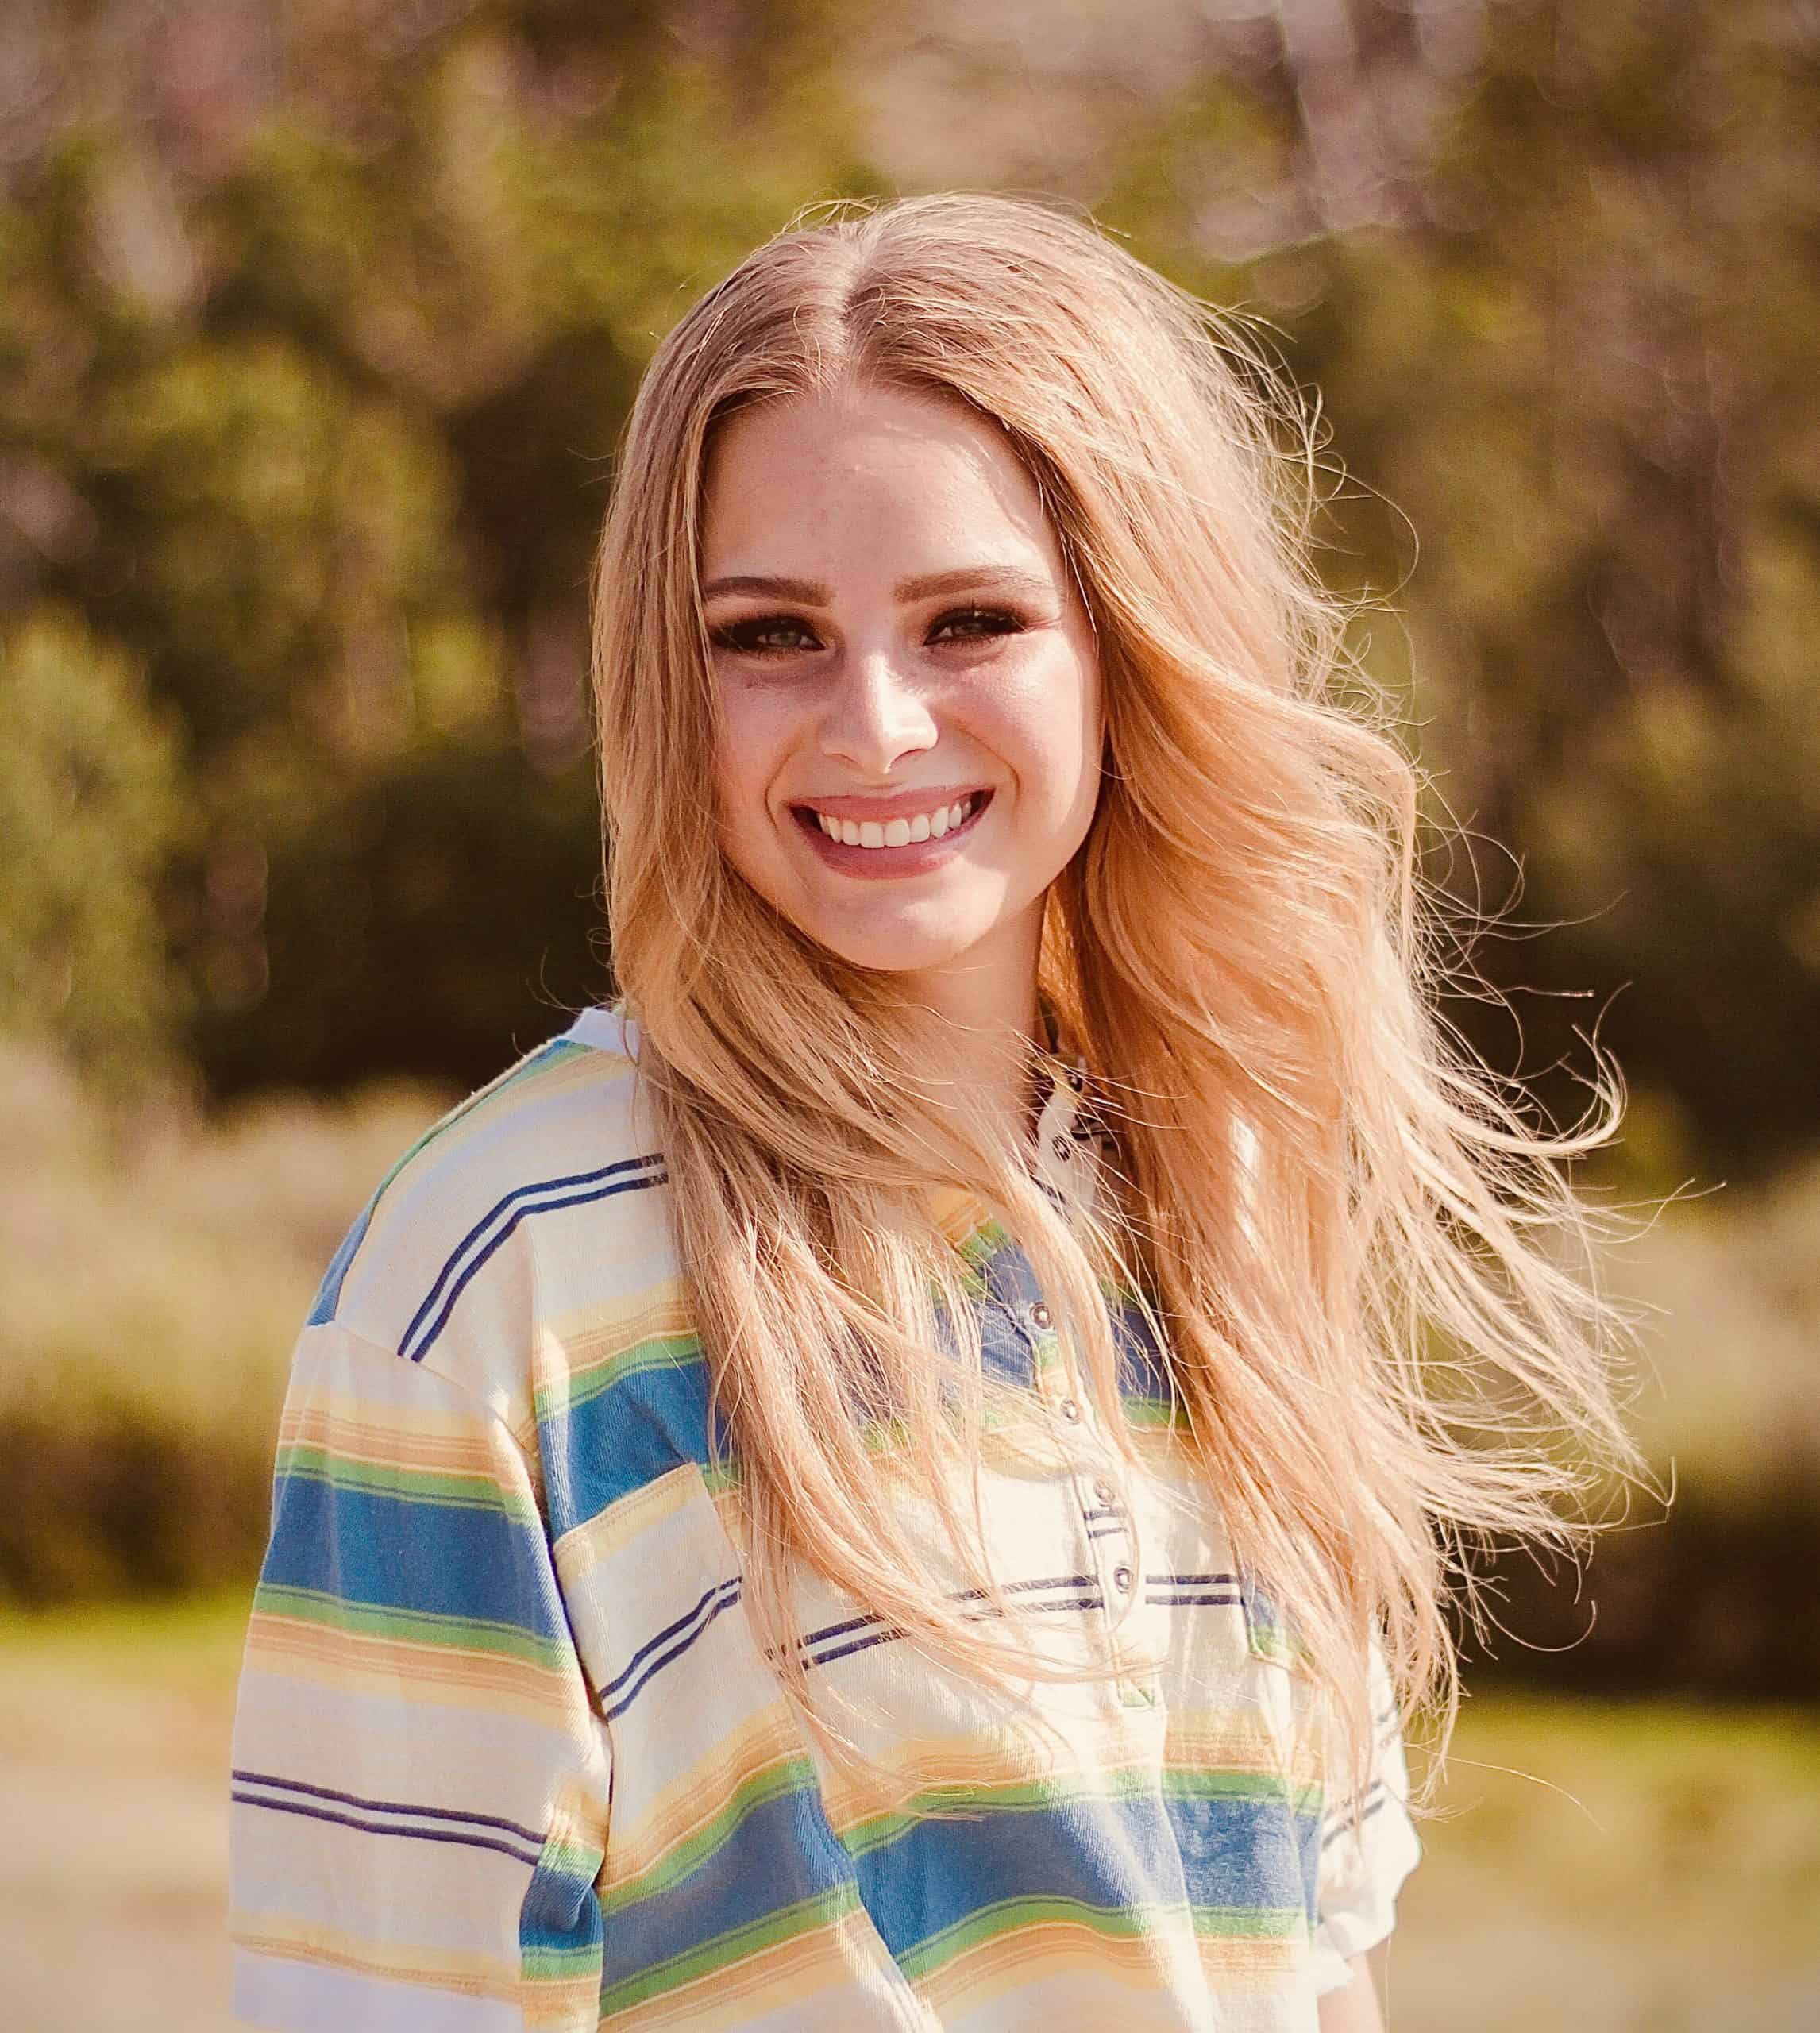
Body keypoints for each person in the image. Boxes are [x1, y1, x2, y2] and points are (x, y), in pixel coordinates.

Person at [226, 192, 1637, 2031]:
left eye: (970, 618)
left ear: (1129, 645)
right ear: (677, 675)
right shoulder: (504, 1266)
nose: (876, 722)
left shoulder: (1211, 1202)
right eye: (771, 633)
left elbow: (1312, 1965)